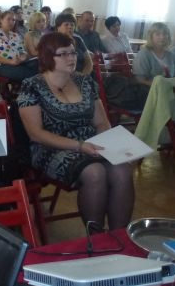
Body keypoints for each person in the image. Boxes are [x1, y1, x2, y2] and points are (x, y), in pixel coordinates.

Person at [17, 32, 135, 230]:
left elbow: (102, 123)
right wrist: (80, 146)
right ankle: (96, 237)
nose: (71, 58)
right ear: (47, 56)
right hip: (51, 148)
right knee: (95, 172)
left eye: (72, 52)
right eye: (63, 54)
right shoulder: (32, 86)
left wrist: (111, 146)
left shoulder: (85, 82)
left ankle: (119, 235)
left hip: (91, 144)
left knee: (122, 169)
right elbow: (36, 134)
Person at [0, 10, 38, 81]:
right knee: (27, 73)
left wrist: (23, 56)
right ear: (1, 20)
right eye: (8, 19)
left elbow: (22, 51)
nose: (11, 22)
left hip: (18, 63)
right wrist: (10, 62)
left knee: (38, 63)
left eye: (13, 20)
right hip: (1, 65)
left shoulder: (15, 35)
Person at [132, 22, 175, 87]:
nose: (162, 37)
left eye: (165, 34)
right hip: (150, 90)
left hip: (168, 89)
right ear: (151, 36)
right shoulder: (143, 54)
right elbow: (139, 80)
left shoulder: (171, 55)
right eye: (158, 34)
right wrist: (161, 86)